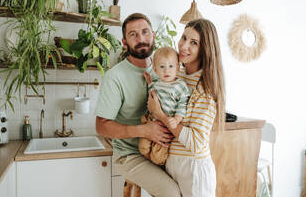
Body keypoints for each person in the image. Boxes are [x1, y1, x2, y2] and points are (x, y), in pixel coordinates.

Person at [95, 13, 181, 197]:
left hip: (163, 150)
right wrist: (144, 131)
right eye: (133, 34)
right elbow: (101, 126)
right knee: (171, 193)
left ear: (154, 35)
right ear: (124, 42)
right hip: (130, 155)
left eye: (145, 32)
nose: (141, 39)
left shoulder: (166, 70)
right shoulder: (115, 77)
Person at [147, 18, 225, 197]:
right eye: (184, 38)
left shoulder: (206, 87)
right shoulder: (177, 75)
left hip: (193, 170)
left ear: (205, 49)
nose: (183, 46)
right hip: (172, 163)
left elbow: (196, 143)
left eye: (194, 43)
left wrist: (159, 113)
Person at [139, 47, 191, 165]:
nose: (166, 71)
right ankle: (148, 157)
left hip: (166, 127)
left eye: (171, 66)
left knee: (158, 158)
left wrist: (177, 119)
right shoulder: (157, 84)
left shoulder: (180, 86)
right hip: (151, 121)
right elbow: (152, 91)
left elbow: (183, 104)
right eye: (162, 67)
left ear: (178, 68)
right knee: (142, 148)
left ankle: (155, 162)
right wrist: (149, 81)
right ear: (156, 70)